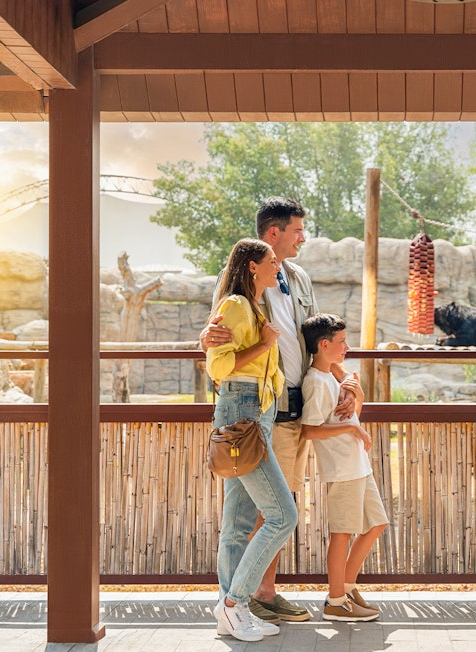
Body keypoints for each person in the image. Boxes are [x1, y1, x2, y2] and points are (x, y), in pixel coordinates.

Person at [200, 196, 354, 624]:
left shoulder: (298, 277)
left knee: (272, 505)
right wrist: (207, 339)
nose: (303, 237)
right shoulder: (245, 277)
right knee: (269, 510)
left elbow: (318, 334)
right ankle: (246, 600)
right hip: (256, 406)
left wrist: (345, 377)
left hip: (289, 406)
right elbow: (218, 334)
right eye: (297, 231)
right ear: (274, 234)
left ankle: (250, 598)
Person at [207, 238, 297, 642]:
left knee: (238, 522)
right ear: (251, 267)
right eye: (272, 261)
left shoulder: (255, 305)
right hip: (242, 411)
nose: (278, 266)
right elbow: (220, 366)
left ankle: (232, 608)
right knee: (283, 515)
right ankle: (234, 603)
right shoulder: (238, 306)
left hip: (255, 411)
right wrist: (264, 343)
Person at [299, 313, 388, 622]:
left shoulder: (333, 377)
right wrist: (352, 431)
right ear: (324, 345)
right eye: (342, 342)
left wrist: (356, 392)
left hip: (357, 465)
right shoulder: (315, 382)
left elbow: (352, 415)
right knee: (342, 534)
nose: (347, 347)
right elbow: (309, 430)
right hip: (342, 469)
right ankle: (335, 601)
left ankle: (346, 588)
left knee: (377, 523)